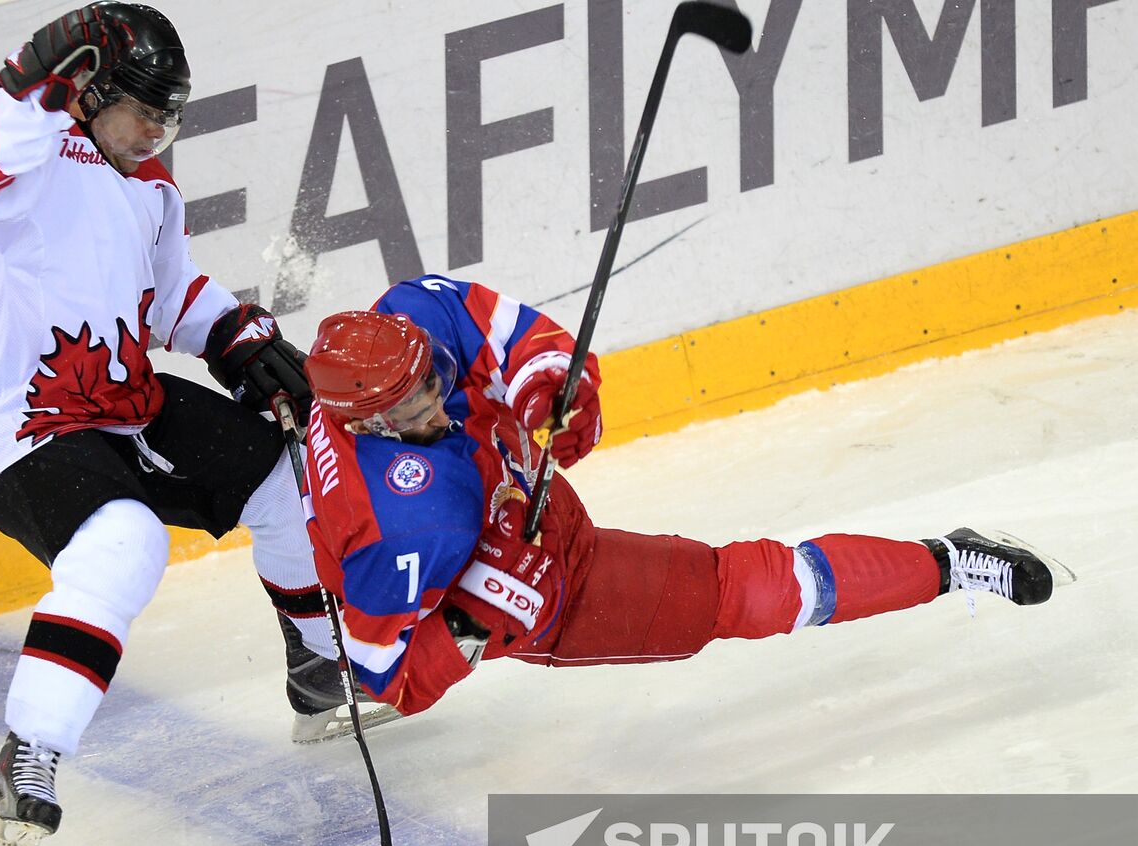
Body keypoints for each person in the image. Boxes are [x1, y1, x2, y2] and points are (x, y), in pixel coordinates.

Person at [0, 3, 345, 846]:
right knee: (123, 543)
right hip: (17, 424)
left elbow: (164, 296)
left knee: (289, 476)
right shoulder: (27, 155)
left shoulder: (148, 187)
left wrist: (232, 335)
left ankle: (319, 666)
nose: (158, 130)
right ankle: (30, 751)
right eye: (144, 108)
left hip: (118, 399)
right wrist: (24, 84)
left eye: (169, 114)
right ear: (87, 89)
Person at [295, 274, 1055, 716]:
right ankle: (950, 562)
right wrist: (473, 617)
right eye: (411, 406)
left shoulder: (404, 330)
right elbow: (381, 674)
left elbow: (517, 338)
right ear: (366, 422)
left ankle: (946, 559)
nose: (436, 397)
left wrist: (548, 392)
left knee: (740, 582)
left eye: (432, 377)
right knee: (747, 594)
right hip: (551, 595)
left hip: (531, 510)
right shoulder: (394, 525)